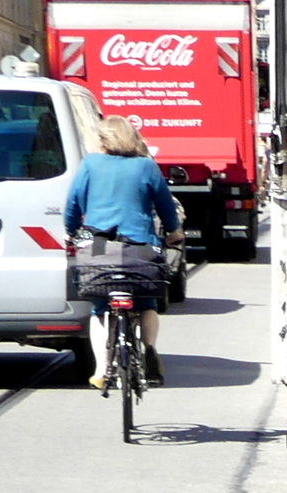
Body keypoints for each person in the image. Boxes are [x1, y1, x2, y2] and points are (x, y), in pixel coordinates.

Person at [63, 116, 181, 389]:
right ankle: (149, 348)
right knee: (147, 303)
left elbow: (72, 203)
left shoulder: (91, 164)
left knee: (99, 307)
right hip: (140, 247)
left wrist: (70, 230)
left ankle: (102, 367)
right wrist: (174, 232)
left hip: (99, 246)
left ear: (103, 140)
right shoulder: (146, 166)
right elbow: (166, 206)